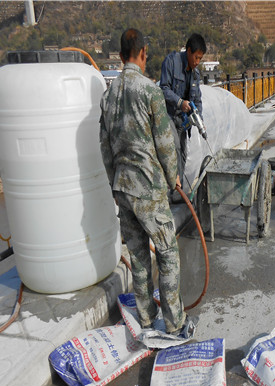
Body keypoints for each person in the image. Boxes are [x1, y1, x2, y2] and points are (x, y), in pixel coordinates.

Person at [99, 28, 196, 337]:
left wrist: (114, 185)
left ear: (119, 55)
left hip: (122, 187)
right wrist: (172, 176)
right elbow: (165, 143)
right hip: (148, 188)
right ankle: (174, 322)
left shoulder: (108, 96)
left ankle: (145, 318)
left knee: (139, 256)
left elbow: (104, 147)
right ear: (143, 53)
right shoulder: (149, 91)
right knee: (167, 253)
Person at [159, 33, 207, 190]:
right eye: (196, 57)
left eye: (200, 59)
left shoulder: (195, 74)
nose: (197, 62)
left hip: (182, 121)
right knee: (175, 151)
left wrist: (199, 119)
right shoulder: (171, 62)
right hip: (169, 116)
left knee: (183, 155)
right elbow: (163, 89)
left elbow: (197, 100)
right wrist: (180, 103)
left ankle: (176, 191)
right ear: (189, 51)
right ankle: (172, 191)